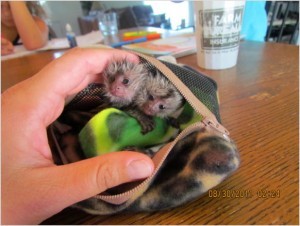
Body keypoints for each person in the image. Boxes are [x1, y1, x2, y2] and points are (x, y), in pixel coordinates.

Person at [1, 48, 155, 224]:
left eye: (125, 81)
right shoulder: (108, 106)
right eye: (112, 79)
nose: (116, 86)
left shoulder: (149, 95)